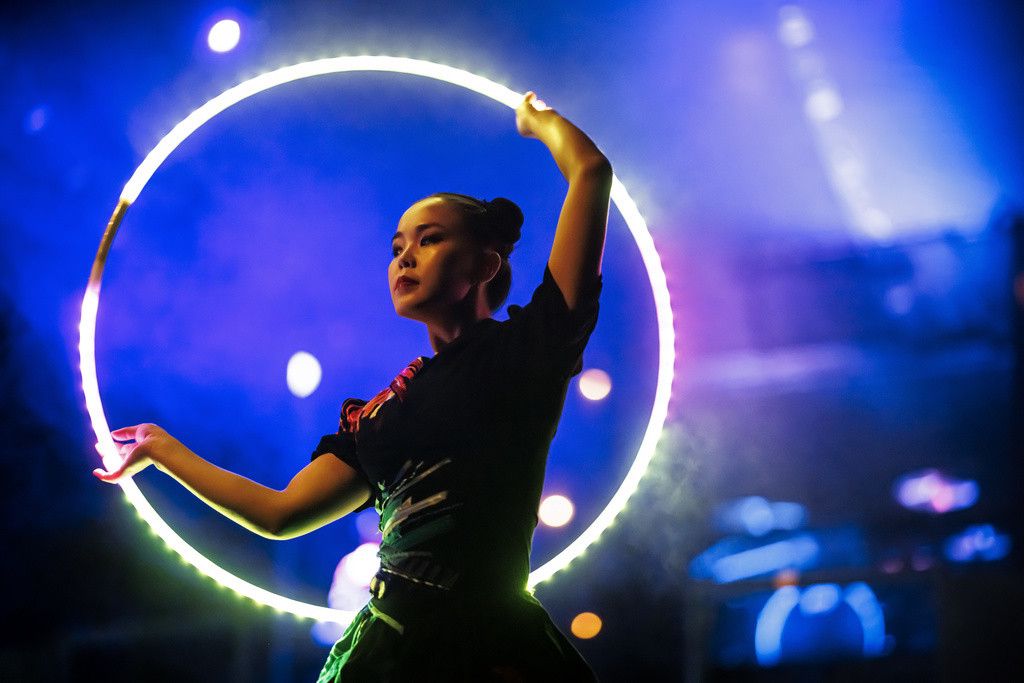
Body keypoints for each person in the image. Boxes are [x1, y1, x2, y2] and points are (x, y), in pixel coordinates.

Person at [94, 91, 613, 681]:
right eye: (396, 248)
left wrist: (539, 121)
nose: (404, 258)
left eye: (429, 239)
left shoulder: (527, 352)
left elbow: (591, 173)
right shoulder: (380, 415)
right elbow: (280, 514)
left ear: (485, 267)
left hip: (483, 649)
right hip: (391, 647)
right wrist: (164, 451)